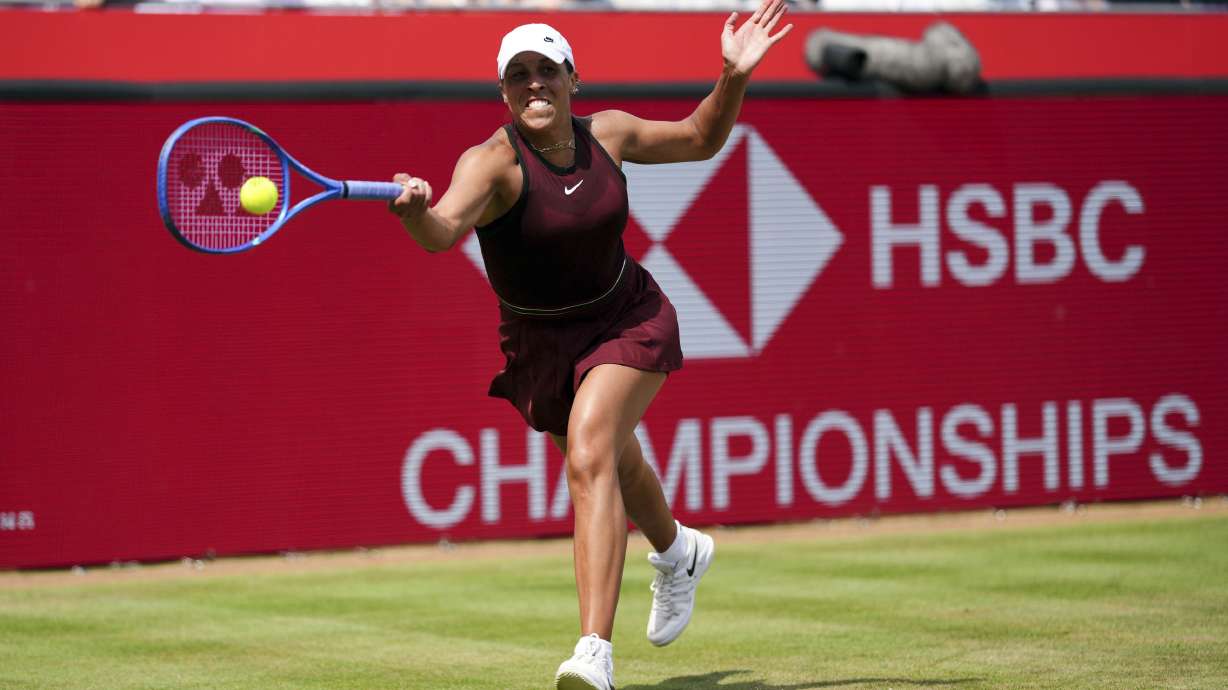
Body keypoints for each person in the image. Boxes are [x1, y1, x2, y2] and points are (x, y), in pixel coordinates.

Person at [388, 4, 791, 688]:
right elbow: (442, 230)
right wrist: (416, 212)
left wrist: (731, 76)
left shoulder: (609, 133)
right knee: (616, 463)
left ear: (574, 79)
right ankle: (678, 551)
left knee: (590, 452)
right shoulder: (490, 164)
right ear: (504, 93)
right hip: (540, 343)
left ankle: (593, 653)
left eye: (547, 71)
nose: (534, 85)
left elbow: (700, 137)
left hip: (627, 317)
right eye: (519, 76)